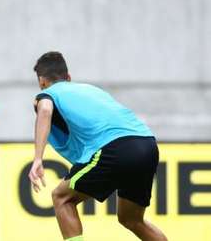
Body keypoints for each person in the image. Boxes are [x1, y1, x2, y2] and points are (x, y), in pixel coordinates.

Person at [28, 51, 168, 241]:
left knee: (62, 197)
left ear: (42, 82)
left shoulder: (47, 94)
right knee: (131, 219)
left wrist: (38, 159)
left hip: (114, 148)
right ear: (68, 77)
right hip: (147, 144)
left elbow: (45, 109)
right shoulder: (91, 90)